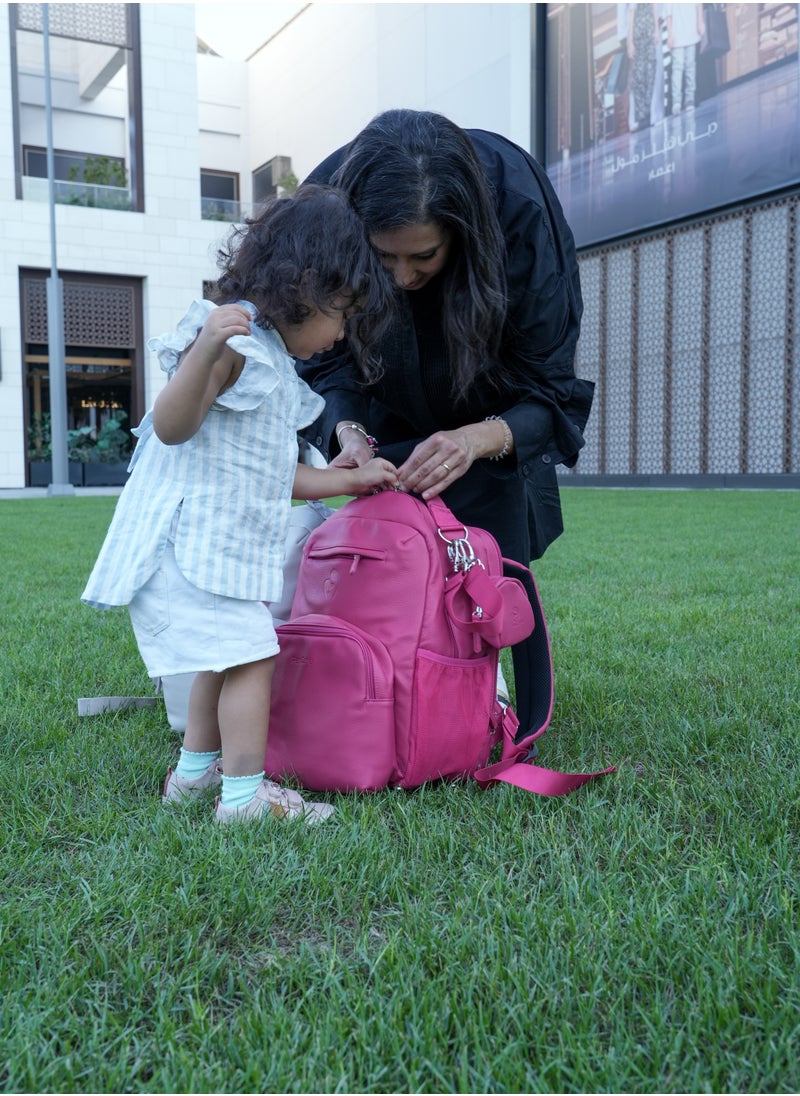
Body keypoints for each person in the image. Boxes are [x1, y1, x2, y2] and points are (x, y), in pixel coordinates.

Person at [81, 185, 399, 824]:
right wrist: (202, 354)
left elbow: (271, 475)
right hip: (189, 549)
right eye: (341, 312)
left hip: (217, 554)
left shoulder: (276, 365)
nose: (340, 334)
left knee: (219, 660)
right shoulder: (231, 342)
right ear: (306, 286)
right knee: (253, 657)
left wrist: (346, 482)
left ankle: (195, 776)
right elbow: (170, 427)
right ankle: (245, 796)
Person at [298, 109, 594, 721]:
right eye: (383, 259)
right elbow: (318, 359)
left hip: (492, 403)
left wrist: (474, 440)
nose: (403, 278)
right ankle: (391, 673)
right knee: (383, 554)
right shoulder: (325, 208)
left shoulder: (520, 211)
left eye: (423, 256)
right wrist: (347, 431)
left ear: (460, 231)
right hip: (378, 396)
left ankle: (483, 678)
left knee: (487, 549)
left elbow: (549, 387)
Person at [665, 4, 705, 114]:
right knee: (677, 68)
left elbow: (699, 5)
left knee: (690, 66)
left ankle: (689, 99)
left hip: (691, 30)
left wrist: (700, 22)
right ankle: (676, 101)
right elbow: (668, 15)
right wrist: (670, 35)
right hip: (677, 34)